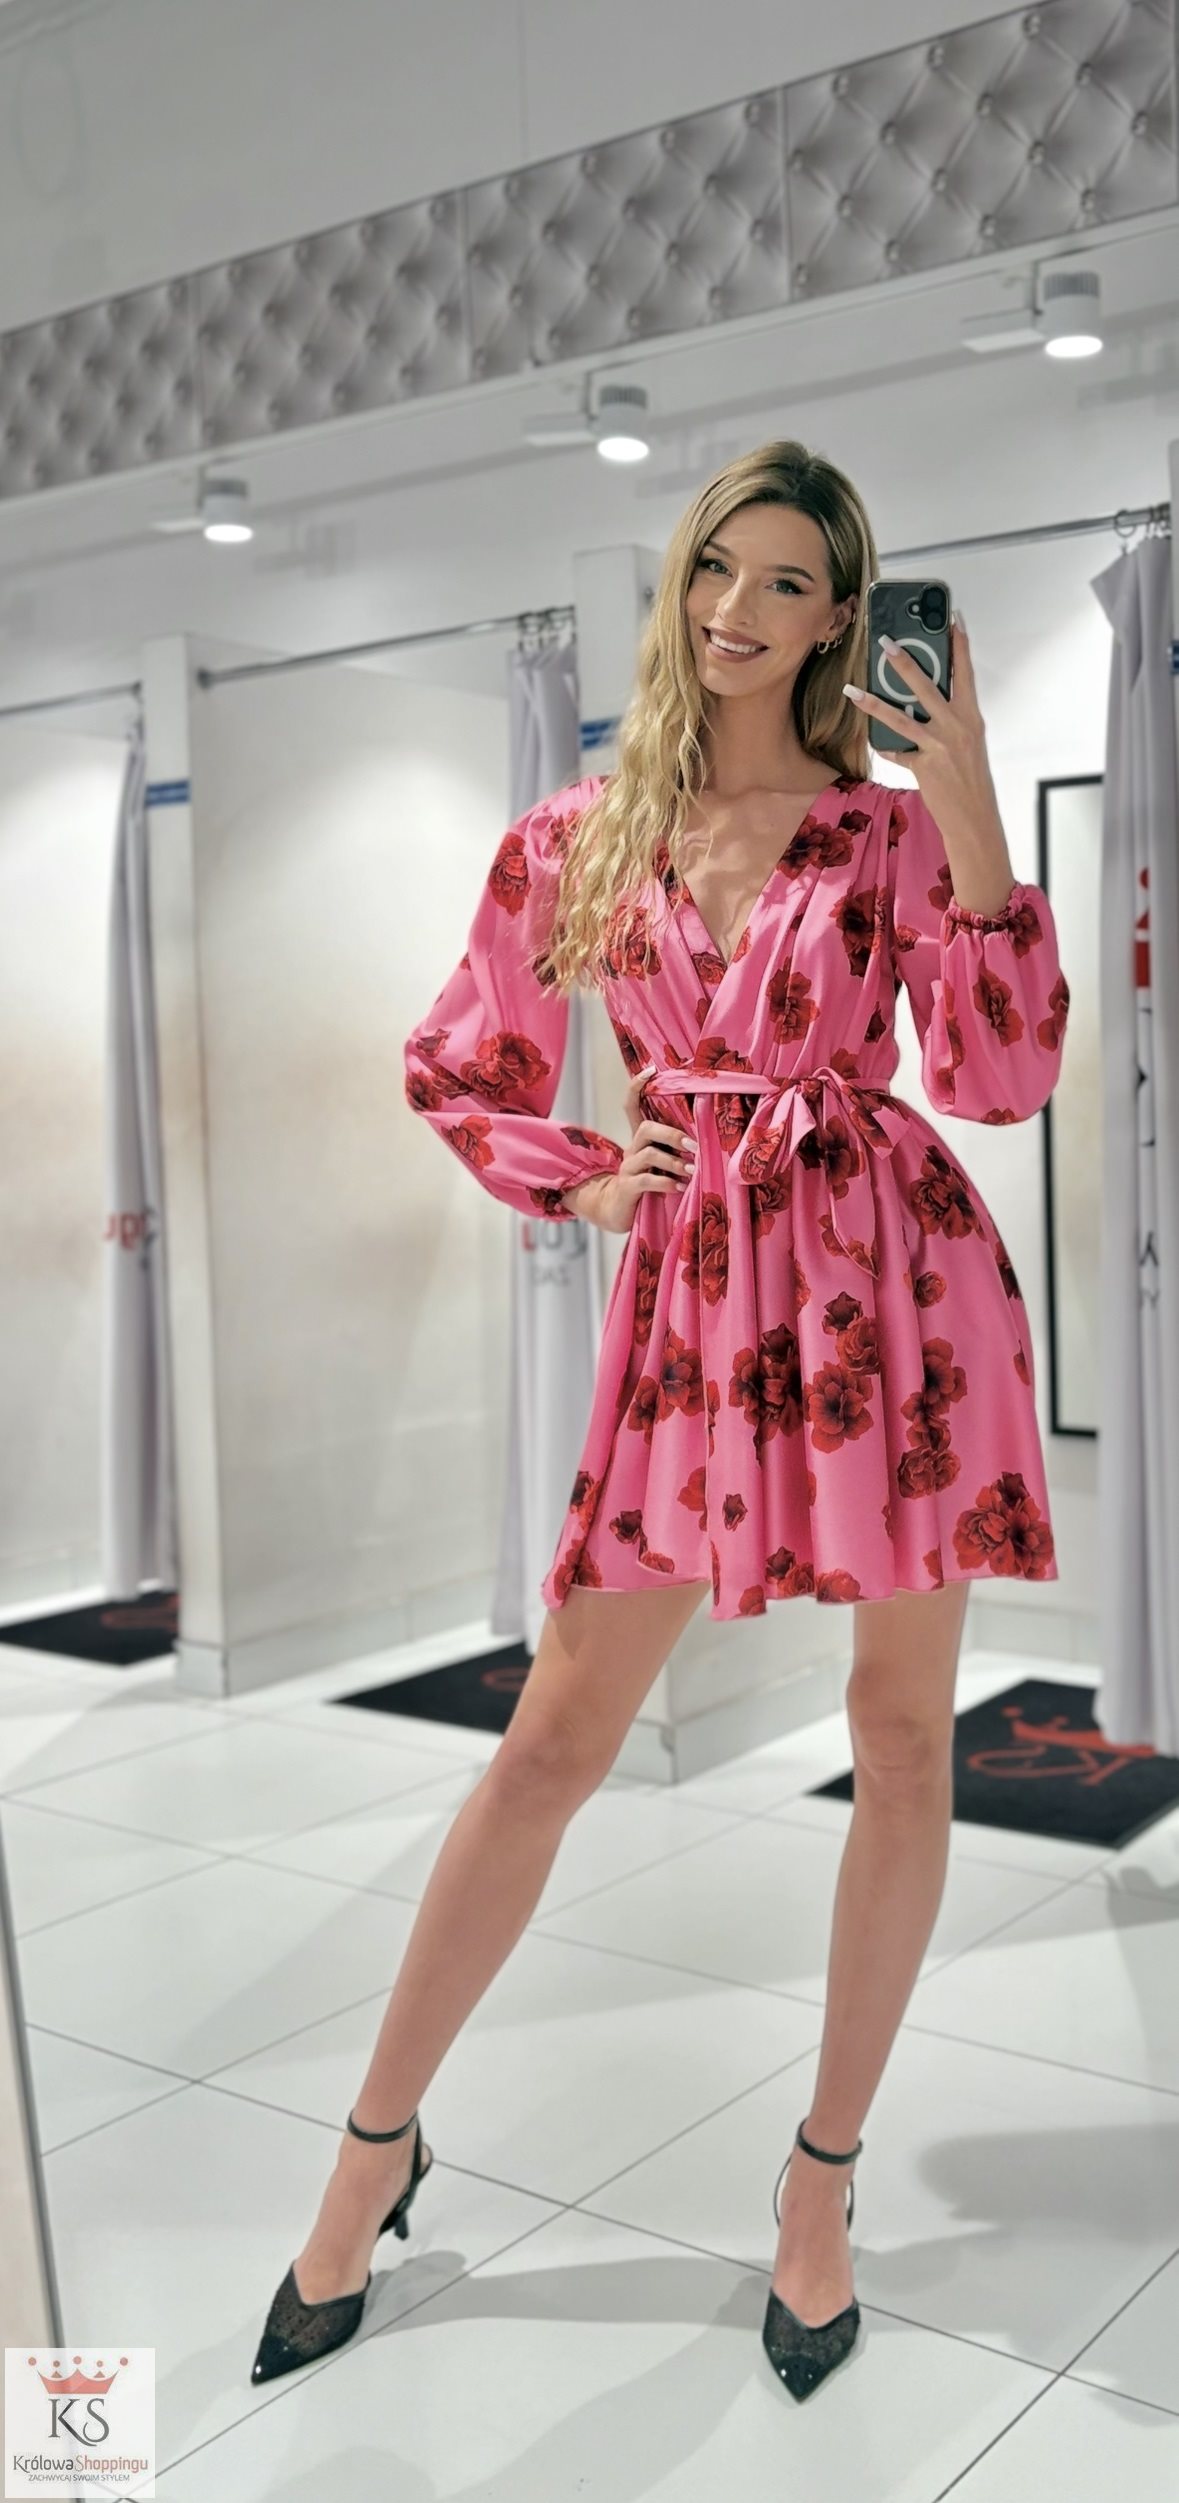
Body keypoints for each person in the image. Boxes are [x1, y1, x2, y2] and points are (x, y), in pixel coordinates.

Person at [251, 439, 1069, 2402]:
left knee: (899, 1738)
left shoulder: (886, 839)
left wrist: (963, 795)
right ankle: (373, 2145)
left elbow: (995, 1078)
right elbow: (457, 1060)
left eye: (787, 583)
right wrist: (582, 1176)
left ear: (842, 617)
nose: (737, 611)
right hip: (694, 1310)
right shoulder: (579, 833)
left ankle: (819, 2183)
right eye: (718, 566)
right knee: (553, 1738)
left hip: (887, 1301)